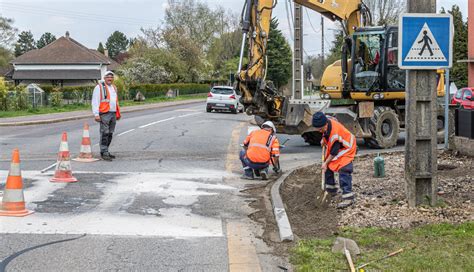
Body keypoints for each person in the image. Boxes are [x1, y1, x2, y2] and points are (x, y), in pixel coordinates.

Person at [312, 112, 356, 208]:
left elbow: (333, 152)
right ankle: (331, 190)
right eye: (318, 129)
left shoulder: (335, 134)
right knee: (328, 166)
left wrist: (325, 163)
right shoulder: (326, 122)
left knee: (344, 168)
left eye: (320, 129)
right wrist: (323, 139)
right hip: (339, 146)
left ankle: (348, 197)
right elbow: (326, 133)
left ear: (325, 124)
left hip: (347, 146)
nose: (319, 131)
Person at [92, 71, 121, 161]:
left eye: (111, 77)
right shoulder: (99, 87)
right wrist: (96, 114)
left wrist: (117, 113)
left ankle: (106, 151)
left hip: (113, 113)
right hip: (104, 113)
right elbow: (95, 101)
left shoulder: (114, 87)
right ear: (104, 78)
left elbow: (115, 101)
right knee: (105, 133)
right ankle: (104, 152)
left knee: (110, 133)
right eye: (108, 77)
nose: (110, 79)